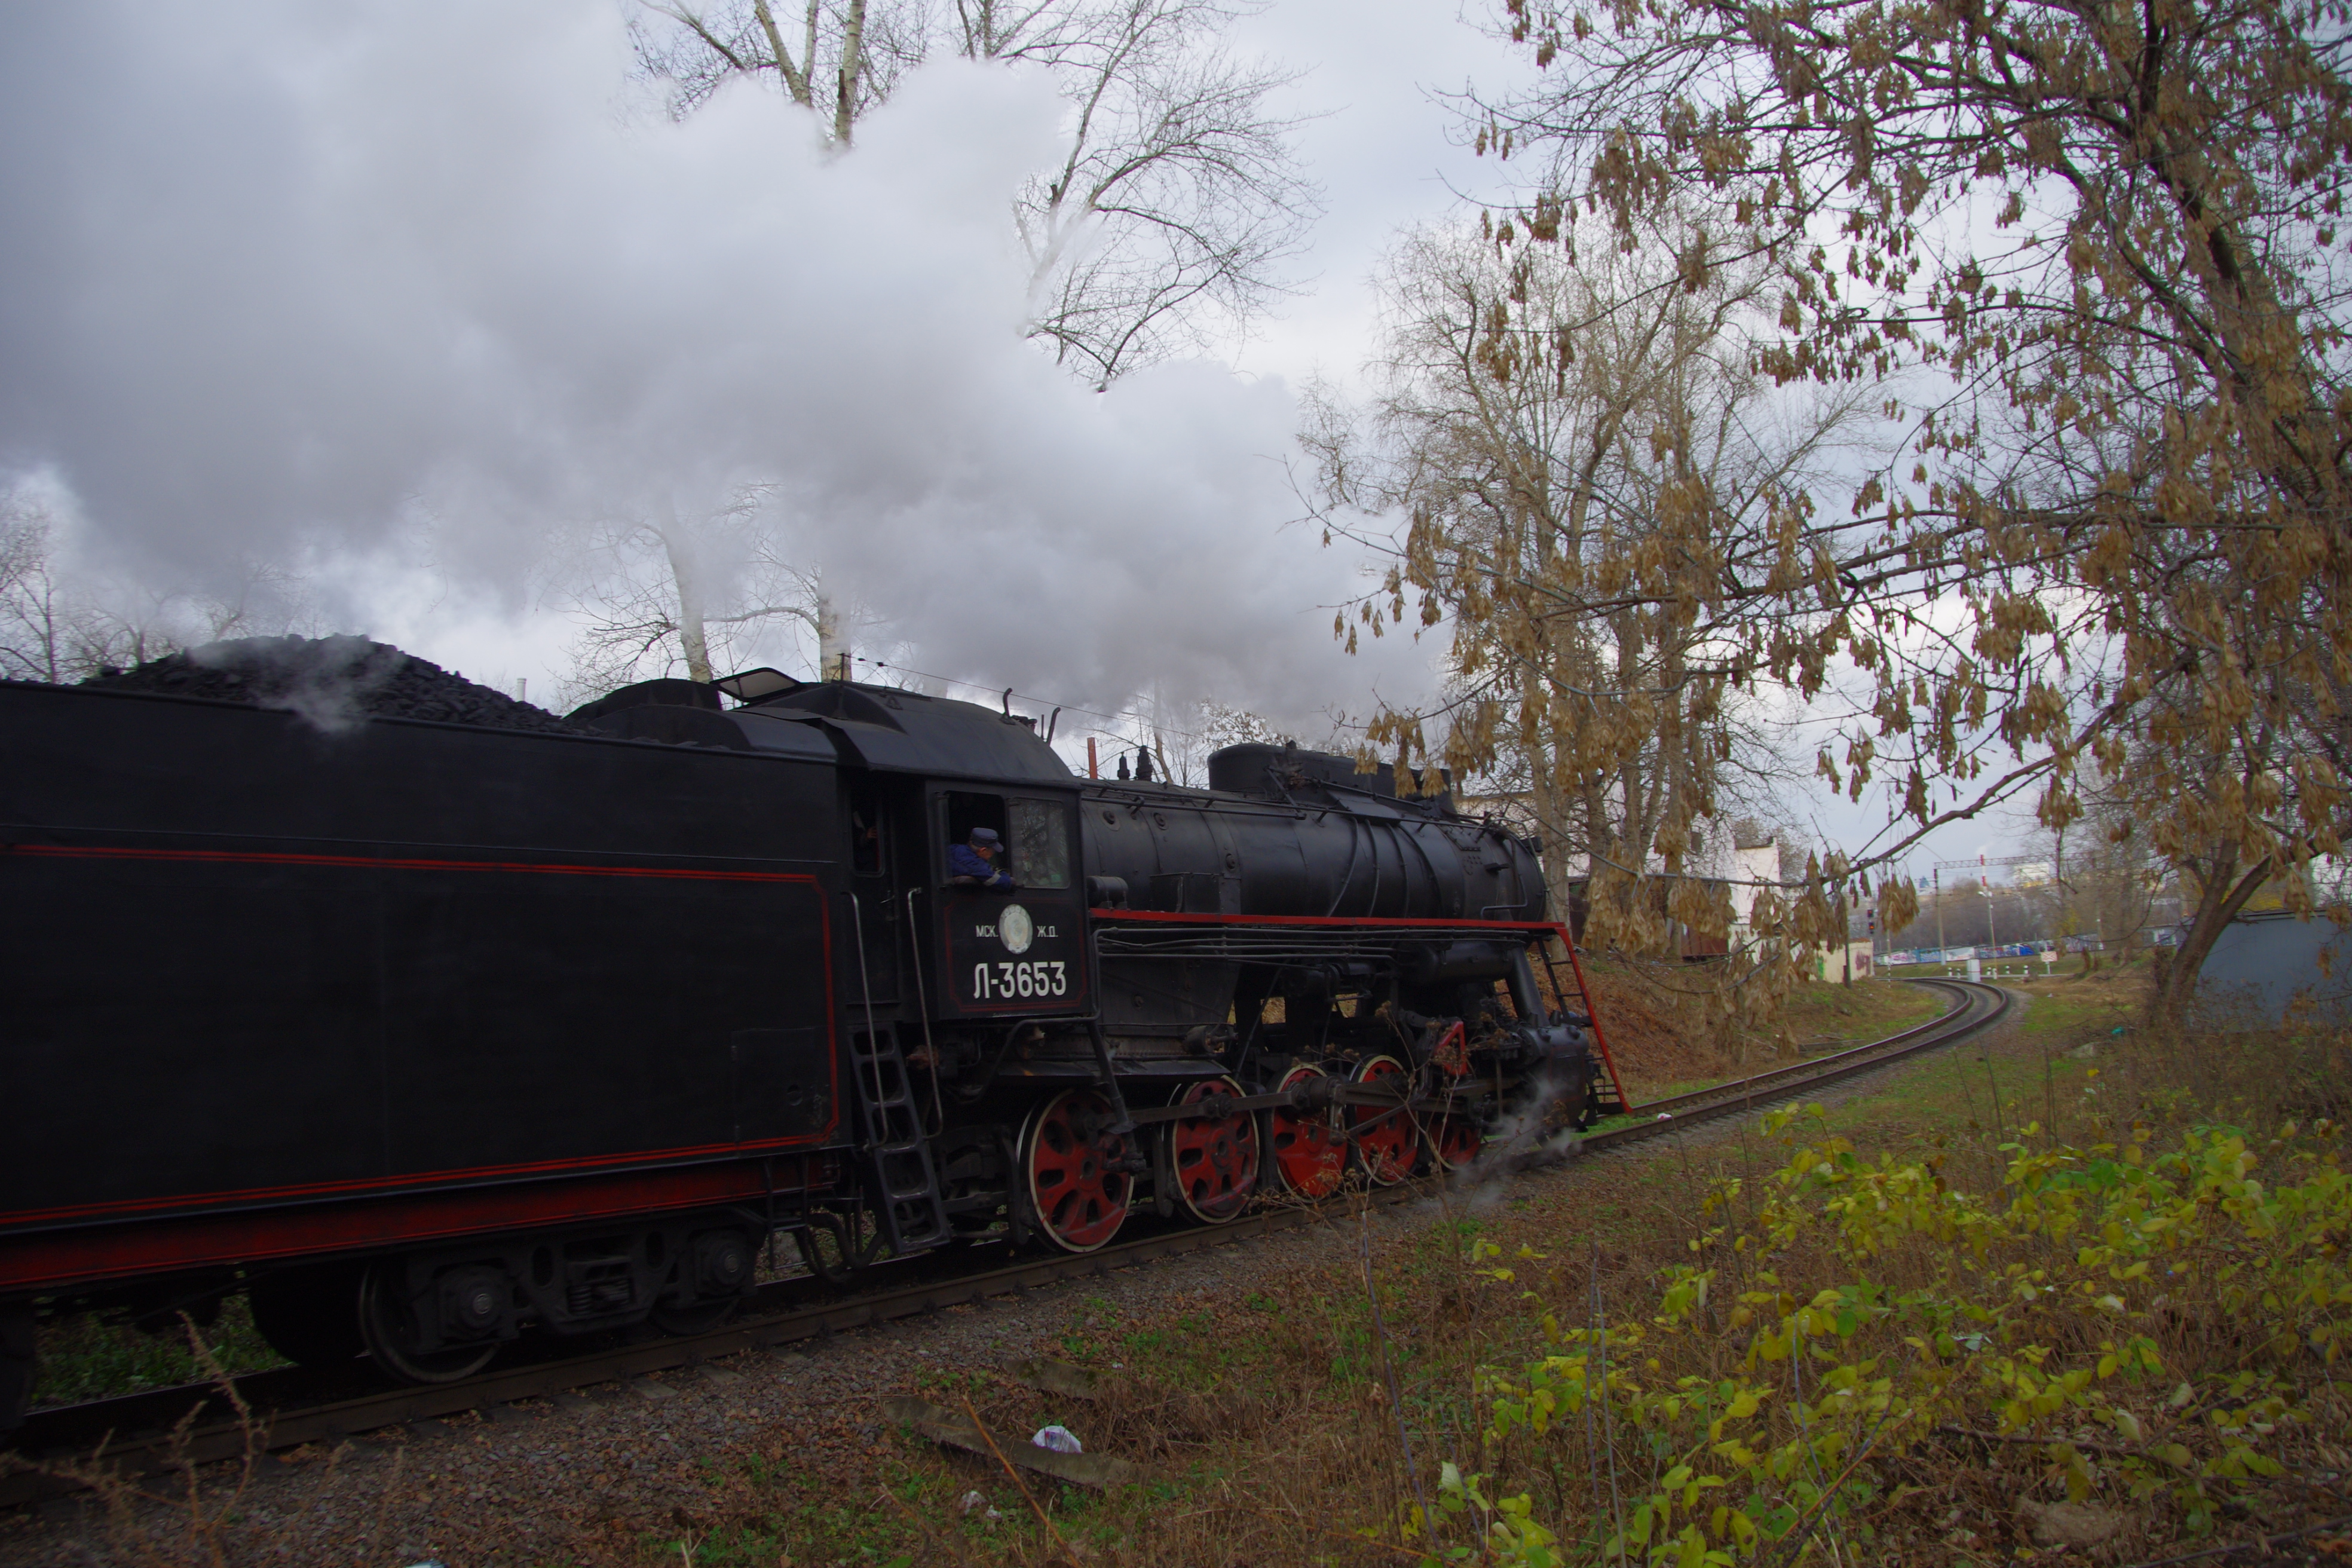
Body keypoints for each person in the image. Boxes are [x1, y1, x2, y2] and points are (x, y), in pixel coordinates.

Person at [948, 826, 1014, 890]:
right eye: (993, 851)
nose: (992, 855)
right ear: (983, 850)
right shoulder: (975, 864)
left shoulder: (955, 849)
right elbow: (1002, 884)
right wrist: (1004, 874)